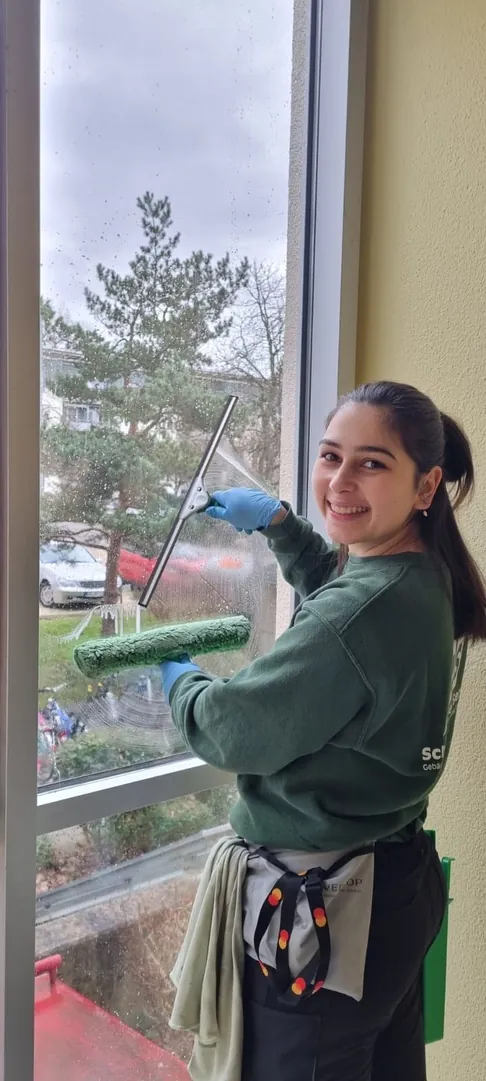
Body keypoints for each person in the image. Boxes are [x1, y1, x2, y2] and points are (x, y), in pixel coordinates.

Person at [160, 381, 486, 1081]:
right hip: (397, 888)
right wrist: (282, 524)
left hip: (326, 913)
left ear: (426, 484)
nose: (340, 480)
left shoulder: (363, 611)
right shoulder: (424, 578)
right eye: (330, 455)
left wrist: (176, 676)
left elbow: (230, 730)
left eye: (372, 463)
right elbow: (349, 616)